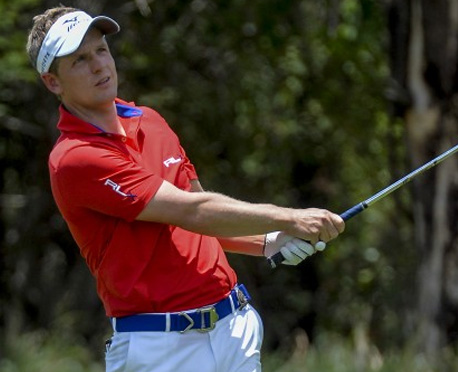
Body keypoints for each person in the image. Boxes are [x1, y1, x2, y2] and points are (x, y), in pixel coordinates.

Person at [26, 6, 344, 372]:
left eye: (101, 50)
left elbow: (202, 218)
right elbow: (190, 210)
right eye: (80, 60)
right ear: (53, 82)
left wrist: (269, 241)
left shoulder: (150, 121)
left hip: (233, 328)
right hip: (161, 349)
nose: (100, 65)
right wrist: (290, 218)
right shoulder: (75, 158)